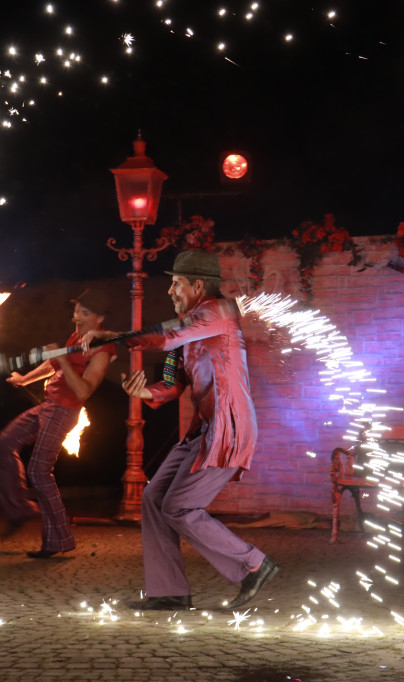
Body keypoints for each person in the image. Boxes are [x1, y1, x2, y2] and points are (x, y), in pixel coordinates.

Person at [81, 250, 279, 610]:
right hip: (200, 432)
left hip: (227, 427)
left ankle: (253, 563)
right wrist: (145, 392)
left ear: (198, 285)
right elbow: (172, 384)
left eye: (176, 283)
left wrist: (111, 336)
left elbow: (165, 337)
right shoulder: (186, 328)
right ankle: (169, 591)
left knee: (180, 506)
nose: (170, 290)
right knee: (154, 499)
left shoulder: (217, 311)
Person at [0, 290, 116, 558]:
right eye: (76, 311)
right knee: (4, 443)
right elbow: (53, 364)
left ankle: (58, 540)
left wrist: (61, 359)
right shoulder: (76, 337)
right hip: (47, 406)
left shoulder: (103, 350)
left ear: (100, 318)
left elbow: (84, 391)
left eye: (84, 313)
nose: (76, 317)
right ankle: (20, 509)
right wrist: (24, 379)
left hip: (64, 411)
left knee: (39, 471)